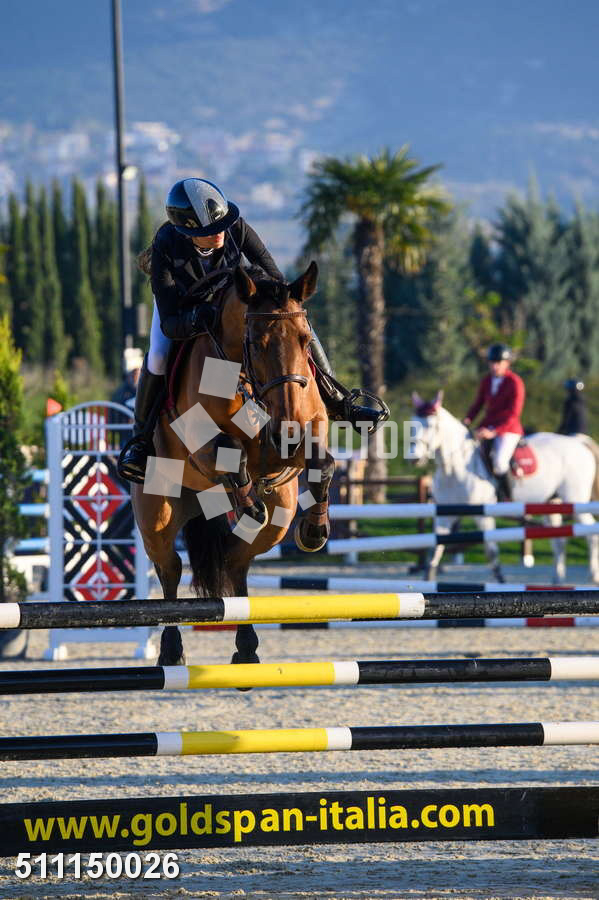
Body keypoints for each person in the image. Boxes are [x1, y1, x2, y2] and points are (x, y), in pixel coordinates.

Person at [118, 178, 387, 484]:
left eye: (221, 226)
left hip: (239, 304)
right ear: (187, 232)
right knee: (157, 358)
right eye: (209, 231)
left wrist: (270, 301)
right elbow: (170, 322)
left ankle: (339, 400)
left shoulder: (235, 226)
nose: (219, 233)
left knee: (297, 324)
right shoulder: (167, 244)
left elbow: (273, 274)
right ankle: (141, 440)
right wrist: (197, 317)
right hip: (185, 309)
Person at [462, 344, 525, 501]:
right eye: (492, 362)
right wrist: (467, 419)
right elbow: (478, 404)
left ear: (507, 363)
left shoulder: (515, 382)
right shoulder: (487, 381)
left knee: (500, 463)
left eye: (498, 363)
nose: (494, 366)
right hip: (487, 426)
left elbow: (514, 414)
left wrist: (494, 432)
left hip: (508, 429)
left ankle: (509, 499)